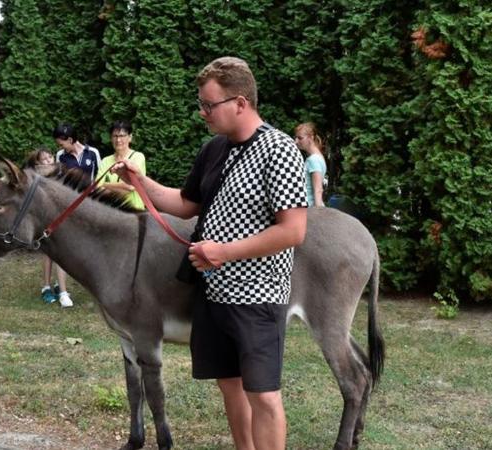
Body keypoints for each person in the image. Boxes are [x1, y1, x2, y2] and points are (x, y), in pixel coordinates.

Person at [113, 56, 307, 450]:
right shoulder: (214, 149)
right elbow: (184, 204)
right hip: (214, 294)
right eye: (201, 104)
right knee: (230, 387)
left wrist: (225, 252)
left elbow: (293, 230)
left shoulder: (280, 150)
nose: (202, 113)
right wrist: (140, 181)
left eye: (209, 105)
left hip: (258, 296)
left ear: (240, 102)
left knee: (264, 395)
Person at [23, 148, 73, 307]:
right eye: (44, 159)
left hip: (61, 220)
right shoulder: (34, 178)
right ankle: (46, 287)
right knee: (48, 253)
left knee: (61, 254)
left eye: (50, 157)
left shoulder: (60, 174)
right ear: (37, 163)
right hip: (44, 221)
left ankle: (62, 291)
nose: (48, 161)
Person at [98, 121, 147, 210]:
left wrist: (107, 185)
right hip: (111, 213)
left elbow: (131, 186)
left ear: (130, 137)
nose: (118, 140)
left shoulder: (138, 157)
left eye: (122, 136)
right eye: (115, 136)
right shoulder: (105, 161)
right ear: (111, 138)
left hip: (134, 213)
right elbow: (97, 190)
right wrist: (122, 187)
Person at [294, 122, 327, 207]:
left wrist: (318, 213)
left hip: (311, 210)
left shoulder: (314, 160)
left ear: (311, 138)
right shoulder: (317, 157)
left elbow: (318, 189)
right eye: (296, 138)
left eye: (300, 138)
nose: (296, 141)